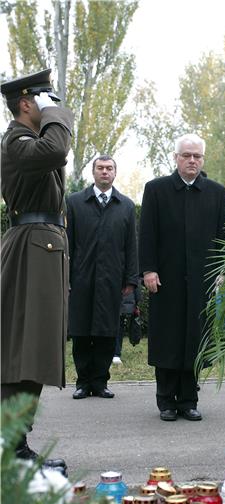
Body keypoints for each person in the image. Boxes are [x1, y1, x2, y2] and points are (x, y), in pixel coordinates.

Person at [1, 69, 73, 472]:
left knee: (33, 352)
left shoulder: (26, 140)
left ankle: (15, 442)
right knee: (21, 353)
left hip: (41, 248)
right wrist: (56, 115)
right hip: (32, 249)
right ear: (26, 103)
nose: (51, 105)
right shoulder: (15, 141)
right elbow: (56, 150)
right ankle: (10, 445)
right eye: (43, 99)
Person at [139, 133, 225, 421]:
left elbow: (223, 238)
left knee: (194, 339)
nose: (192, 161)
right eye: (186, 155)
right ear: (176, 157)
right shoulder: (156, 190)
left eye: (197, 156)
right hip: (166, 280)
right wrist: (149, 270)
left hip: (202, 281)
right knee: (168, 338)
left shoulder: (216, 193)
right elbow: (147, 234)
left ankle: (189, 400)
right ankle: (166, 401)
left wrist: (222, 270)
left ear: (203, 159)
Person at [67, 155, 138, 399]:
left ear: (115, 173)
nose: (104, 172)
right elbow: (69, 243)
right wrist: (67, 278)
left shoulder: (126, 206)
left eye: (109, 168)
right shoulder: (75, 203)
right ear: (93, 172)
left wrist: (131, 279)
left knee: (107, 332)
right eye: (100, 168)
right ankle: (82, 383)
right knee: (81, 331)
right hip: (81, 279)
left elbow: (131, 246)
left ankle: (100, 382)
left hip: (112, 280)